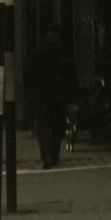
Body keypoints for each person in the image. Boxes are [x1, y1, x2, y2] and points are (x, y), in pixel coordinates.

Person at [27, 29, 78, 169]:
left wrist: (31, 93)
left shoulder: (37, 54)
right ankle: (54, 155)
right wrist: (73, 99)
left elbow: (28, 75)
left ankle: (46, 154)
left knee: (43, 126)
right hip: (60, 98)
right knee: (57, 127)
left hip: (42, 96)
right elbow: (72, 79)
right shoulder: (65, 55)